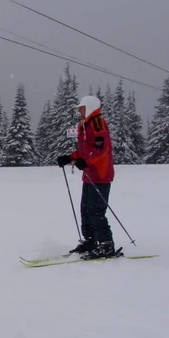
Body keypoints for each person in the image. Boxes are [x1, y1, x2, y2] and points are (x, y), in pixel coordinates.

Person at [57, 95, 116, 259]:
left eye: (81, 107)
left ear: (89, 107)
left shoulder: (97, 123)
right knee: (86, 209)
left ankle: (106, 244)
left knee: (96, 210)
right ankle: (91, 240)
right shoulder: (86, 124)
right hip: (90, 174)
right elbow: (85, 149)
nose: (79, 110)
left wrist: (85, 160)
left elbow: (100, 149)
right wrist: (70, 158)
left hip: (101, 174)